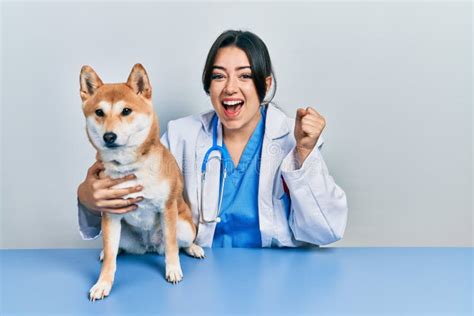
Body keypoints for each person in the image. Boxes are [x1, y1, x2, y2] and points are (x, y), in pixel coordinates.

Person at [77, 30, 348, 248]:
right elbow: (137, 208)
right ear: (209, 85)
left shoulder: (293, 136)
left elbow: (327, 229)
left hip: (276, 273)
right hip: (202, 271)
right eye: (219, 76)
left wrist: (303, 154)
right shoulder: (181, 136)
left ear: (265, 85)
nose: (230, 87)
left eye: (244, 75)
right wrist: (88, 198)